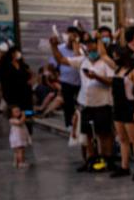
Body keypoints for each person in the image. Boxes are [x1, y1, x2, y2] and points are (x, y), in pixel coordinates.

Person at [49, 36, 114, 171]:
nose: (91, 49)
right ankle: (90, 159)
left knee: (104, 134)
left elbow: (111, 81)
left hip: (102, 103)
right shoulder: (82, 60)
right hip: (86, 104)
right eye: (88, 46)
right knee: (88, 134)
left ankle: (107, 159)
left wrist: (96, 77)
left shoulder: (105, 62)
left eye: (93, 47)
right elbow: (61, 60)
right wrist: (54, 47)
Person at [110, 46, 134, 180]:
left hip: (129, 107)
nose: (114, 59)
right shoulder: (117, 70)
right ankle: (124, 167)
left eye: (116, 56)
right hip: (118, 107)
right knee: (123, 139)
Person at [53, 26, 83, 129]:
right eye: (69, 35)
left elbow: (79, 58)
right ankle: (69, 123)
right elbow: (55, 62)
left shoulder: (82, 48)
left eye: (74, 35)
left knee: (80, 103)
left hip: (79, 80)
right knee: (68, 103)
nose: (71, 38)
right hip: (66, 80)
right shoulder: (60, 48)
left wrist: (76, 45)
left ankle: (79, 123)